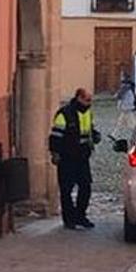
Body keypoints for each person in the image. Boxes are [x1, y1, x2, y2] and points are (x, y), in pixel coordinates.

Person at [49, 87, 100, 229]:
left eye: (90, 100)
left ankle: (80, 216)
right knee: (66, 189)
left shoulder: (88, 113)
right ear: (79, 98)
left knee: (86, 187)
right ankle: (69, 219)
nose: (89, 103)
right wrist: (55, 153)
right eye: (87, 100)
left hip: (83, 157)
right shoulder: (64, 114)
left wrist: (95, 136)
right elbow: (55, 136)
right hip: (67, 157)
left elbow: (89, 129)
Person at [115, 73, 136, 139]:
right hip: (127, 107)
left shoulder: (125, 88)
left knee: (132, 123)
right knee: (121, 122)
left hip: (127, 107)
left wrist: (119, 104)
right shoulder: (130, 87)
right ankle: (115, 134)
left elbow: (118, 96)